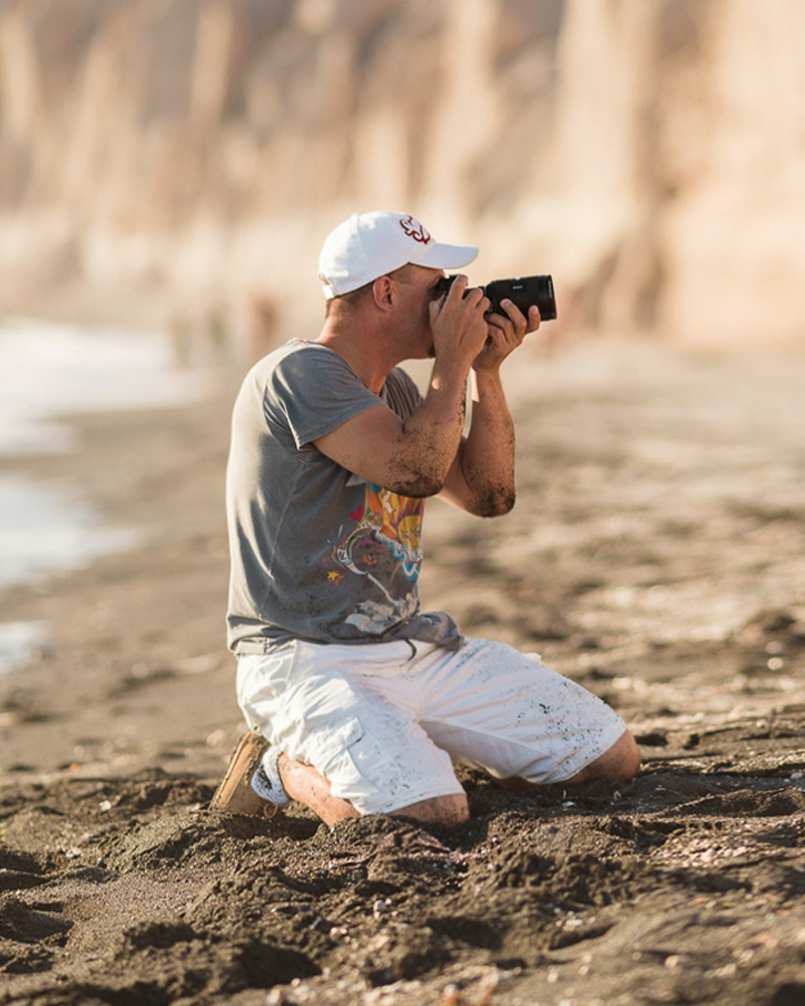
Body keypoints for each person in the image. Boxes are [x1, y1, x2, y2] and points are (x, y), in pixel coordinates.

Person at [211, 211, 640, 827]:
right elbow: (416, 471)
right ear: (385, 292)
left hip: (410, 645)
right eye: (440, 289)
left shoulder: (399, 390)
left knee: (606, 755)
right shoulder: (296, 374)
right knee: (428, 811)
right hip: (306, 658)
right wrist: (452, 365)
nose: (457, 302)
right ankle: (280, 766)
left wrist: (484, 371)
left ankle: (389, 743)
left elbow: (490, 496)